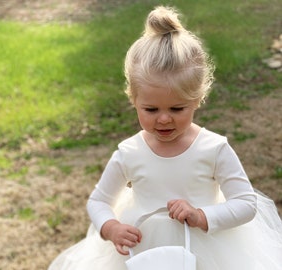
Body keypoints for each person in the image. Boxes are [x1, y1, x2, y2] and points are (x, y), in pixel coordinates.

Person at [48, 5, 282, 270]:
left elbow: (245, 203)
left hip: (207, 249)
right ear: (133, 100)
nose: (163, 119)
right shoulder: (129, 152)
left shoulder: (213, 148)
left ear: (198, 99)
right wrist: (111, 227)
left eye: (177, 108)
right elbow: (99, 201)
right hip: (142, 248)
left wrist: (201, 215)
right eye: (151, 109)